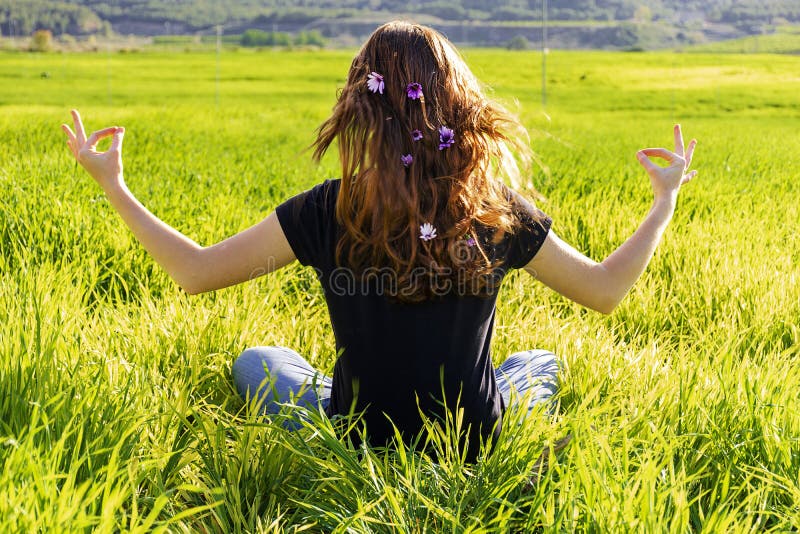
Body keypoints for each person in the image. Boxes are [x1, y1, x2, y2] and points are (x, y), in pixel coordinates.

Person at [61, 21, 697, 462]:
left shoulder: (331, 208)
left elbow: (196, 271)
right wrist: (664, 201)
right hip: (473, 439)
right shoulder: (495, 210)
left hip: (358, 433)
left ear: (361, 107)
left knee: (260, 360)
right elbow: (607, 291)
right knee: (543, 365)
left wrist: (113, 185)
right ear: (456, 106)